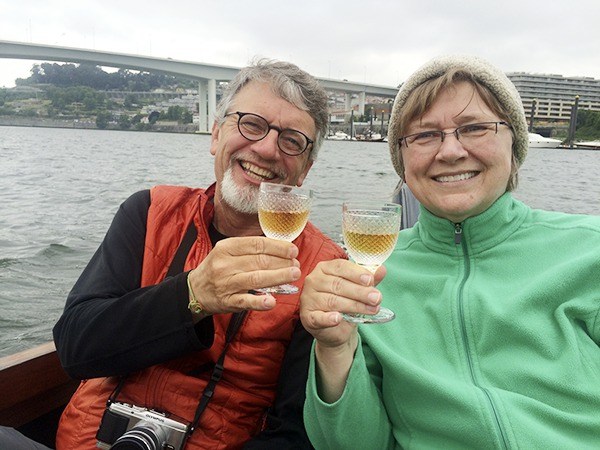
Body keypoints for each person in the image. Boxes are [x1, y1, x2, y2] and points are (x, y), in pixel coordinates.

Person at [300, 54, 600, 449]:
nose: (450, 151)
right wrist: (335, 347)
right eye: (425, 135)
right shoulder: (365, 279)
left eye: (475, 128)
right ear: (402, 161)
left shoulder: (589, 248)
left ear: (515, 146)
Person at [50, 58, 346, 450]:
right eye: (252, 124)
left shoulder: (322, 270)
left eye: (292, 140)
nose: (267, 148)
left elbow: (294, 434)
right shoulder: (149, 210)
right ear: (216, 135)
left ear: (304, 170)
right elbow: (75, 347)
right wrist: (192, 295)